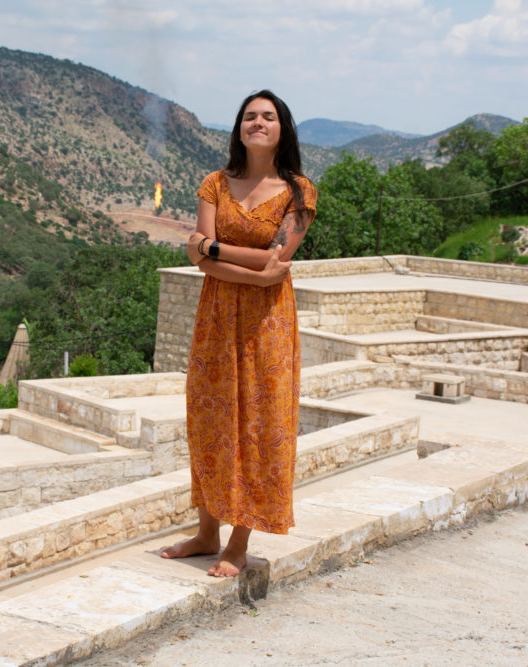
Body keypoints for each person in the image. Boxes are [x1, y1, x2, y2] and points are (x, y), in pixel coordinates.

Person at [161, 90, 317, 577]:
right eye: (250, 116)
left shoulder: (299, 192)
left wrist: (215, 248)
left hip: (268, 322)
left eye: (268, 117)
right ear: (239, 127)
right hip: (218, 315)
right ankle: (207, 533)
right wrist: (251, 270)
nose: (258, 123)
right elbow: (199, 257)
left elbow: (277, 258)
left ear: (282, 128)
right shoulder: (216, 183)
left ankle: (239, 541)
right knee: (210, 417)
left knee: (260, 422)